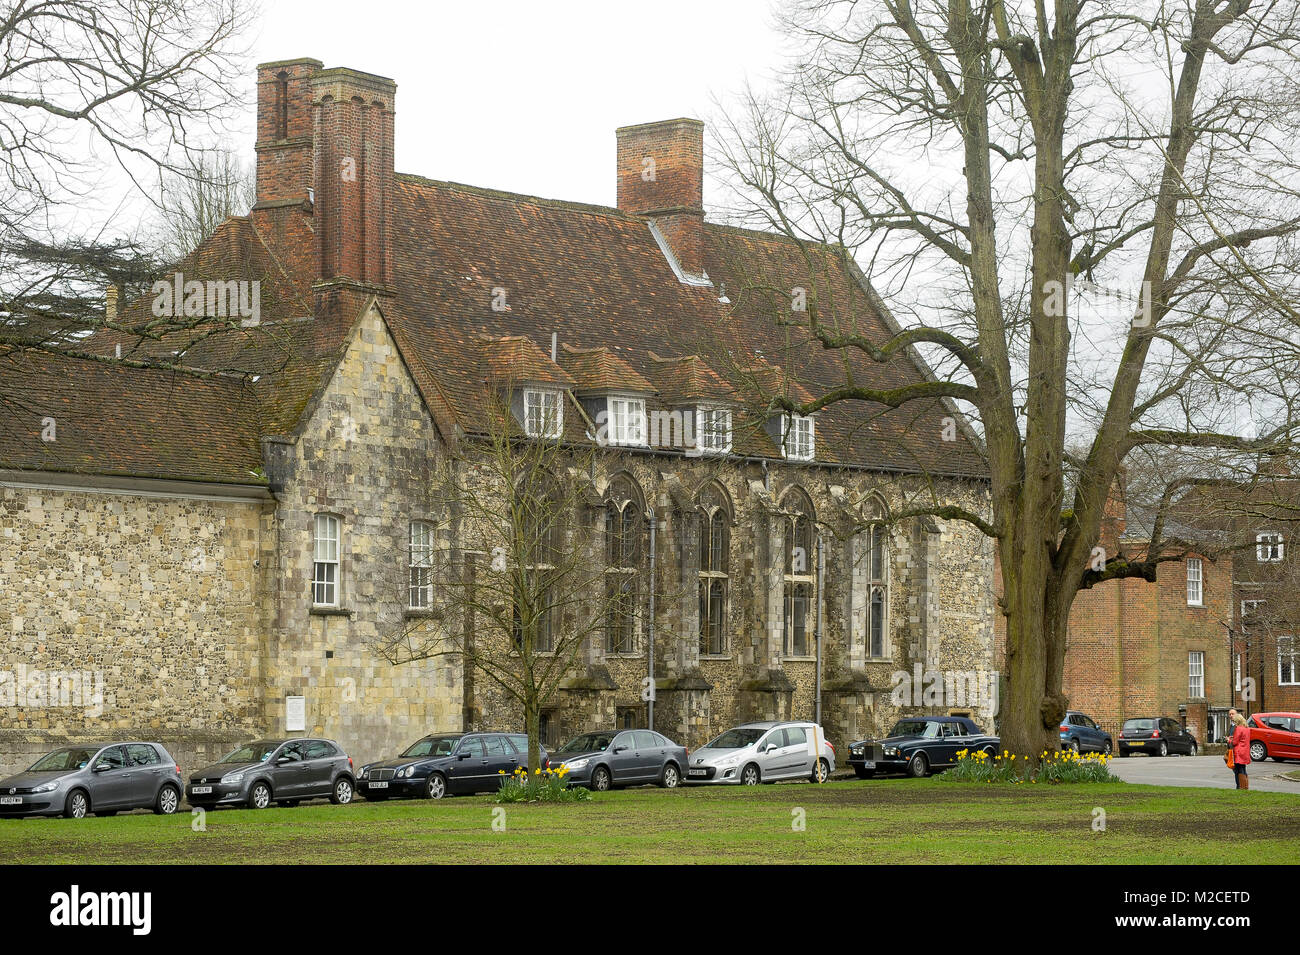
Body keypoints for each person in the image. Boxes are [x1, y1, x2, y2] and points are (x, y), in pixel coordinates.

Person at [1229, 710, 1251, 790]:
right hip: (1245, 751)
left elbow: (1235, 742)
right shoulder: (1247, 729)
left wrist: (1229, 740)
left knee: (1238, 769)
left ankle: (1240, 786)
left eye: (1235, 721)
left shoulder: (1238, 728)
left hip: (1238, 752)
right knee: (1243, 769)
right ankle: (1245, 786)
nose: (1234, 722)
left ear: (1237, 721)